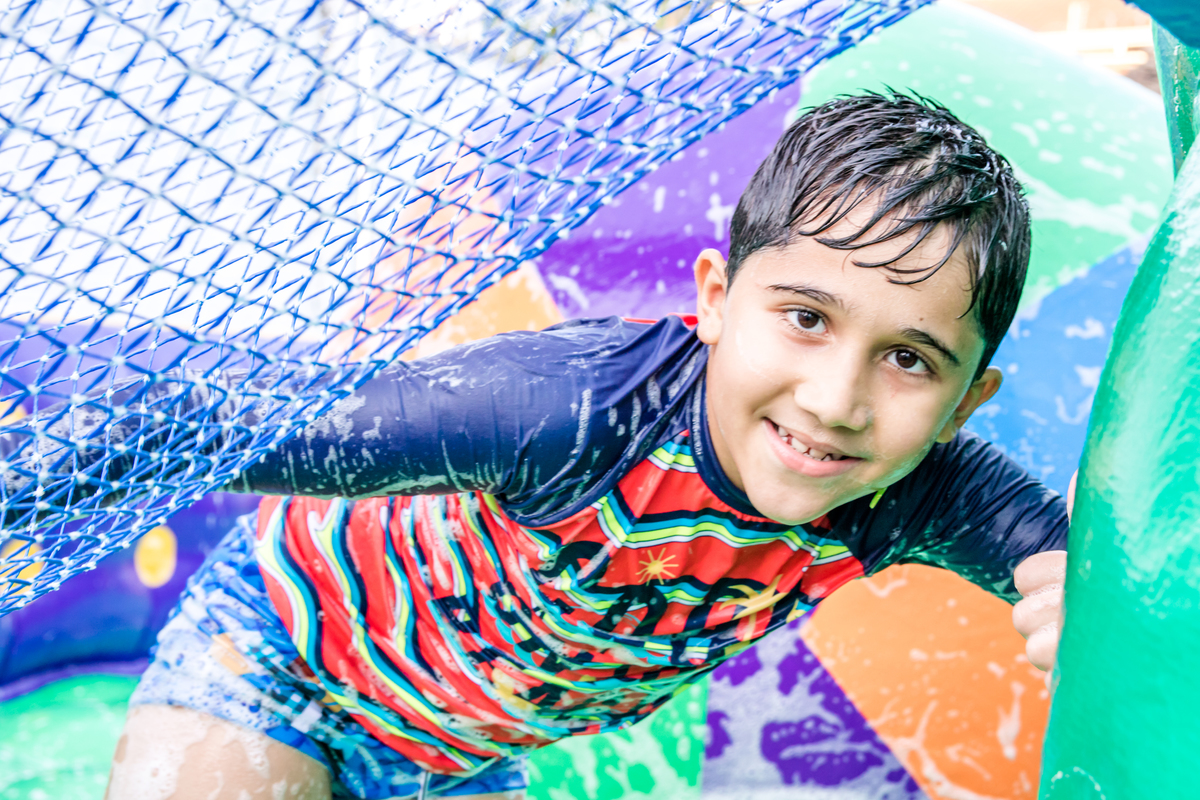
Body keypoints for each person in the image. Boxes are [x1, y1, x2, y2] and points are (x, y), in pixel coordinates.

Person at [12, 91, 1070, 799]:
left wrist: (1088, 608)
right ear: (714, 299)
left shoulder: (921, 493)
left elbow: (1092, 567)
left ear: (969, 398)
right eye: (804, 316)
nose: (835, 398)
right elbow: (274, 429)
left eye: (910, 360)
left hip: (459, 754)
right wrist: (48, 467)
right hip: (288, 656)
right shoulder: (577, 410)